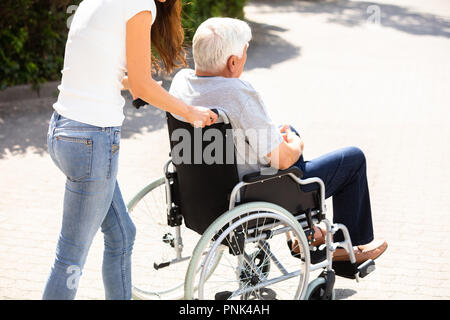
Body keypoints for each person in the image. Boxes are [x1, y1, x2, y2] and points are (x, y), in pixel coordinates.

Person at [168, 17, 387, 264]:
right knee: (353, 159)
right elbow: (282, 161)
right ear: (232, 62)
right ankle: (348, 248)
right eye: (244, 53)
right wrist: (297, 144)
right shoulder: (240, 94)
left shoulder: (181, 83)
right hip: (253, 195)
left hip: (202, 194)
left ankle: (307, 232)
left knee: (285, 131)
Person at [43, 0, 217, 300]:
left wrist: (137, 84)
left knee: (122, 235)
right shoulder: (139, 4)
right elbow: (142, 84)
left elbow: (99, 72)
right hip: (92, 142)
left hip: (63, 130)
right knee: (70, 259)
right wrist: (190, 112)